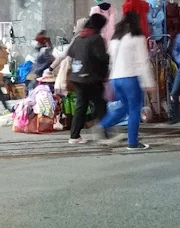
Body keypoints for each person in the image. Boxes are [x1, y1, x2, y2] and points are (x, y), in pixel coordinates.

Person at [98, 11, 156, 150]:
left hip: (115, 79)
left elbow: (110, 60)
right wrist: (149, 83)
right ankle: (133, 142)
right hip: (131, 78)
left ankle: (103, 125)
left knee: (124, 107)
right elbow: (143, 62)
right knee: (135, 109)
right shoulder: (137, 37)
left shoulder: (115, 38)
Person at [67, 13, 110, 144]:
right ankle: (105, 134)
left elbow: (70, 52)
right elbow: (102, 57)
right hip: (91, 77)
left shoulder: (79, 37)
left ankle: (74, 136)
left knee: (81, 105)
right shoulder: (96, 38)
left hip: (77, 76)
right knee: (100, 105)